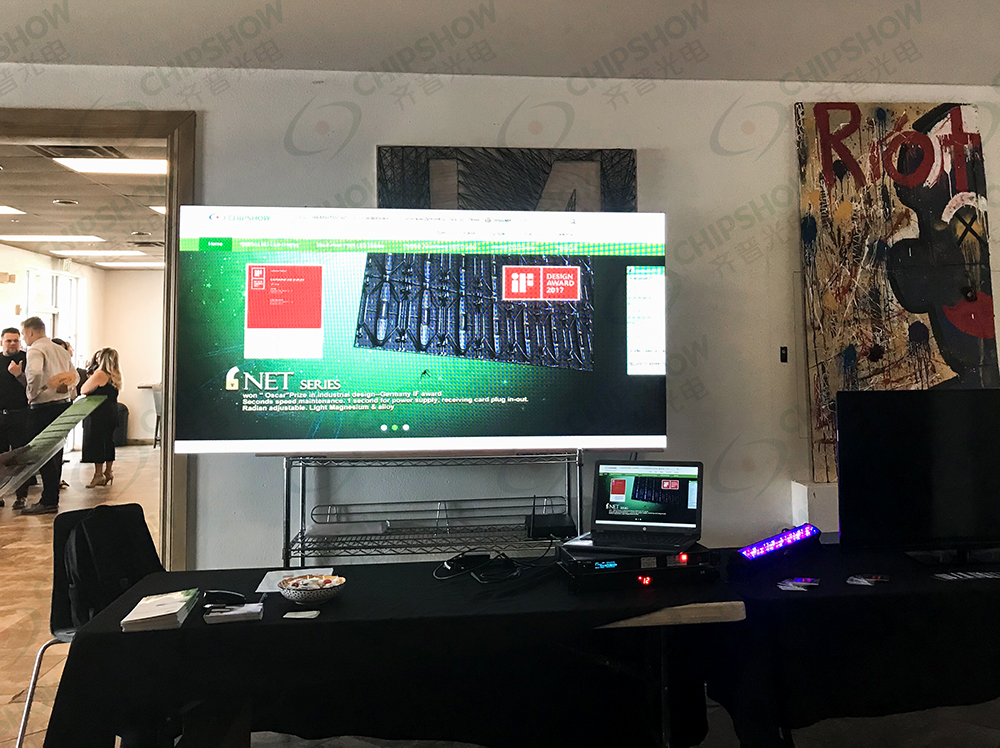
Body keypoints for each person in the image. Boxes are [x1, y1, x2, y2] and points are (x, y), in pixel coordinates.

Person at [19, 317, 77, 515]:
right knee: (56, 452)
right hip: (63, 405)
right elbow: (75, 375)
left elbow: (35, 373)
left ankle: (48, 500)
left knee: (41, 454)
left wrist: (31, 393)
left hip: (43, 407)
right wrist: (67, 387)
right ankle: (52, 497)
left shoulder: (35, 349)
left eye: (24, 334)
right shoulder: (60, 349)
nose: (24, 338)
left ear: (31, 332)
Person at [81, 348, 121, 488]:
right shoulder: (115, 374)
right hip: (112, 410)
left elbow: (84, 389)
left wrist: (90, 375)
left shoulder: (100, 374)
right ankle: (108, 472)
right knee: (108, 441)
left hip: (99, 412)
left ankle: (98, 475)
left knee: (97, 442)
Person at [0, 327, 30, 509]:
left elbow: (33, 388)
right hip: (0, 415)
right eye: (8, 340)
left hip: (20, 414)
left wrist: (19, 375)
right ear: (1, 342)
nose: (12, 343)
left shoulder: (27, 359)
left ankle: (21, 496)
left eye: (16, 340)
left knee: (20, 457)